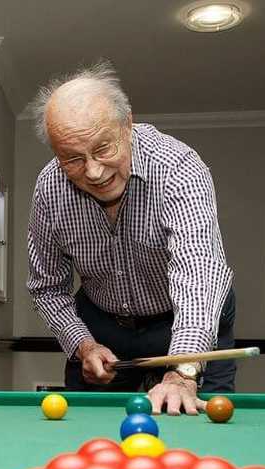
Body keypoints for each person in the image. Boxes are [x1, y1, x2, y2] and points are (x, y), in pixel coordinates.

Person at [26, 61, 235, 416]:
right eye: (73, 159)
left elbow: (199, 270)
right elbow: (47, 287)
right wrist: (83, 345)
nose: (93, 171)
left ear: (127, 125)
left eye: (104, 148)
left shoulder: (178, 167)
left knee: (196, 428)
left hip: (183, 318)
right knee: (83, 433)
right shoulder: (49, 188)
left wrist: (184, 369)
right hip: (101, 322)